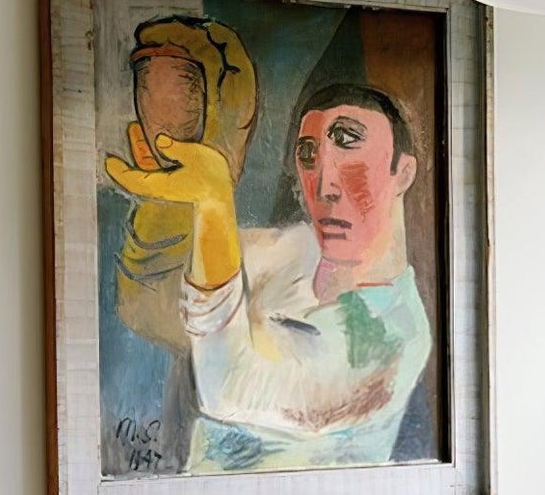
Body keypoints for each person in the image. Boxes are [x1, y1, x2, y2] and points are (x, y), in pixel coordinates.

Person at [105, 77, 433, 471]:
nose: (324, 186)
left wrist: (213, 204)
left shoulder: (394, 333)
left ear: (403, 172)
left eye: (348, 144)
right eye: (308, 155)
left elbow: (229, 387)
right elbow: (155, 296)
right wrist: (167, 208)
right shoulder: (297, 250)